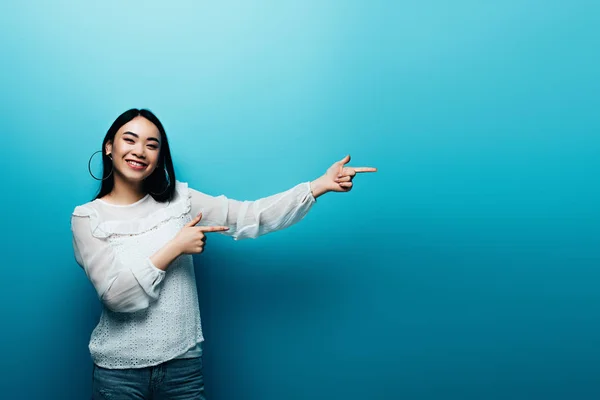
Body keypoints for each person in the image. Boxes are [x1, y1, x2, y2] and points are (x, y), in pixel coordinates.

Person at [71, 108, 377, 399]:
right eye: (130, 139)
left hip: (182, 368)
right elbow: (117, 297)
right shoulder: (88, 218)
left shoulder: (180, 200)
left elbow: (250, 216)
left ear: (159, 156)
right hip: (118, 376)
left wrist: (316, 186)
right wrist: (176, 247)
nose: (140, 150)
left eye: (152, 144)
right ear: (109, 146)